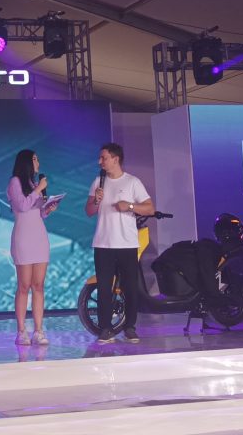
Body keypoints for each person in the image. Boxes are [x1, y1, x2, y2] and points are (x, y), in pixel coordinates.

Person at [84, 142, 154, 344]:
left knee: (130, 287)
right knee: (104, 288)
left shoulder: (132, 182)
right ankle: (105, 328)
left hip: (127, 244)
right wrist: (96, 201)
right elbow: (89, 211)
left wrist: (130, 206)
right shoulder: (98, 181)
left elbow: (149, 208)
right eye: (100, 158)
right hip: (103, 244)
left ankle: (130, 327)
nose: (100, 161)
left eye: (104, 158)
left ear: (115, 159)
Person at [7, 149, 58, 346]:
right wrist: (39, 190)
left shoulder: (34, 184)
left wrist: (47, 209)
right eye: (35, 159)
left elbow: (37, 212)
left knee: (38, 285)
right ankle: (21, 331)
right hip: (23, 238)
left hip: (39, 237)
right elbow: (22, 206)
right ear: (26, 162)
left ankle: (38, 330)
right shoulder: (15, 182)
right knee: (24, 285)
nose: (38, 162)